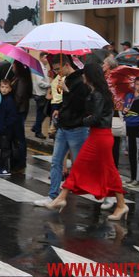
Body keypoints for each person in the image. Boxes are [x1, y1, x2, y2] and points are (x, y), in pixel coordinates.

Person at [46, 63, 129, 221]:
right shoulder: (99, 93)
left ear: (90, 76)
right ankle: (120, 204)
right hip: (99, 136)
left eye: (85, 74)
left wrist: (82, 121)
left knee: (84, 167)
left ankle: (120, 204)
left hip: (99, 137)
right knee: (102, 169)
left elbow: (95, 117)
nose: (82, 75)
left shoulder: (97, 94)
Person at [34, 55, 90, 208]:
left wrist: (67, 91)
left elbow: (81, 105)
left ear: (66, 65)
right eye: (55, 70)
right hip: (64, 126)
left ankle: (108, 194)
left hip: (77, 128)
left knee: (80, 166)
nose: (58, 72)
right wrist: (58, 110)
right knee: (56, 162)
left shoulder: (80, 81)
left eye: (59, 69)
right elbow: (66, 103)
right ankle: (53, 195)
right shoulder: (65, 80)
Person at [0, 79, 19, 177]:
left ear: (10, 89)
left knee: (5, 149)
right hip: (0, 128)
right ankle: (1, 166)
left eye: (6, 87)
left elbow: (12, 116)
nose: (4, 89)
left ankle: (5, 168)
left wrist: (5, 126)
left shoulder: (9, 101)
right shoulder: (0, 99)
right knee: (2, 148)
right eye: (2, 87)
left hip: (6, 130)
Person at [123, 76, 139, 187]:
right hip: (129, 125)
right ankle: (132, 177)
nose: (138, 87)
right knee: (131, 152)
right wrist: (125, 110)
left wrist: (131, 111)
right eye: (137, 84)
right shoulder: (129, 96)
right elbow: (124, 110)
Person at [10, 61, 32, 173]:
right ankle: (16, 161)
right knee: (17, 137)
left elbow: (18, 97)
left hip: (18, 111)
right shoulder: (17, 77)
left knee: (19, 138)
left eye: (13, 65)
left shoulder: (22, 80)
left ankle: (20, 163)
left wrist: (12, 108)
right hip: (18, 111)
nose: (12, 67)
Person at [31, 53, 52, 139]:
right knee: (41, 113)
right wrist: (50, 85)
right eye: (45, 57)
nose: (47, 60)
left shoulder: (43, 67)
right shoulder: (39, 68)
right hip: (40, 94)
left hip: (42, 93)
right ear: (41, 58)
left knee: (43, 113)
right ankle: (37, 131)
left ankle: (36, 128)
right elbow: (40, 83)